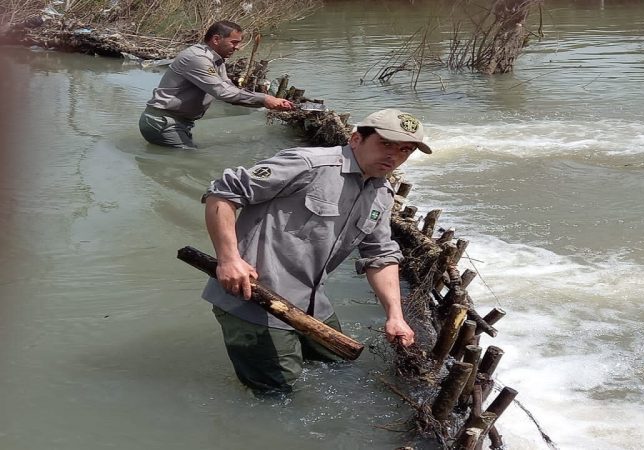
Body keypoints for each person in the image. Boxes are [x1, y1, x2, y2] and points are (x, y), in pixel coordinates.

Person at [201, 108, 432, 392]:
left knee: (340, 365)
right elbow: (222, 194)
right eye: (386, 144)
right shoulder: (307, 165)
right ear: (356, 139)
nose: (394, 156)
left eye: (405, 150)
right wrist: (228, 259)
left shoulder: (380, 194)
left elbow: (380, 255)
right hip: (255, 299)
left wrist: (395, 315)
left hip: (311, 301)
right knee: (277, 392)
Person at [139, 20, 293, 149]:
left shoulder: (216, 60)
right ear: (216, 39)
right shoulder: (197, 58)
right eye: (234, 42)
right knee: (188, 162)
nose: (238, 47)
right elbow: (222, 92)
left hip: (175, 122)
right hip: (163, 122)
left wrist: (264, 102)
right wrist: (264, 99)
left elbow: (229, 90)